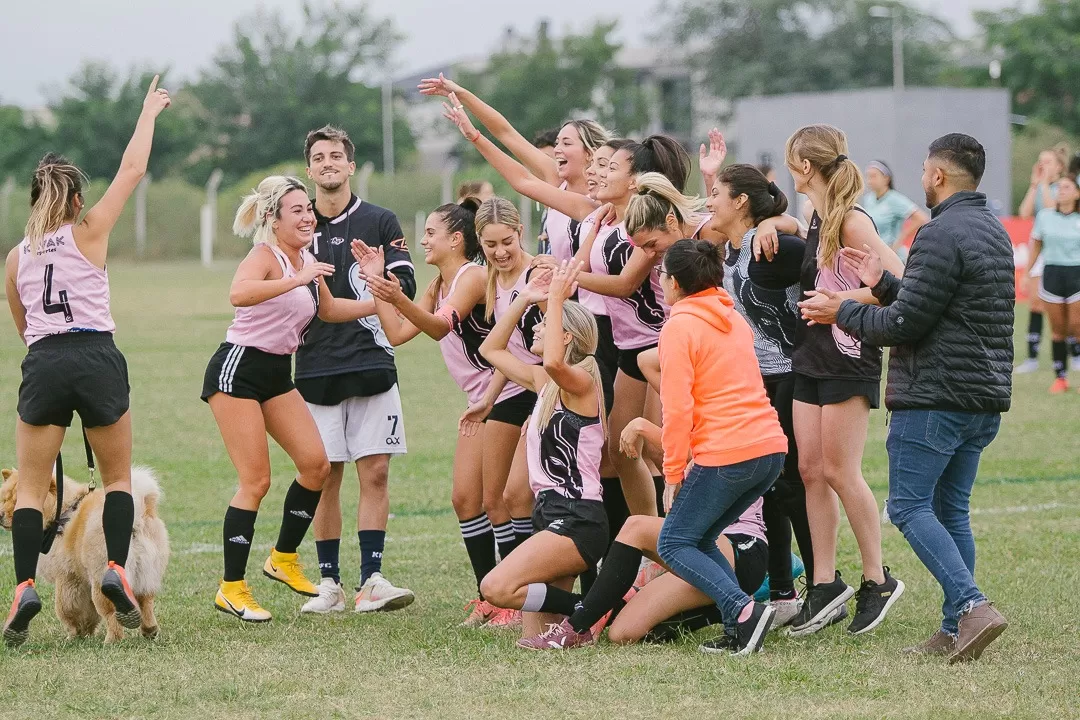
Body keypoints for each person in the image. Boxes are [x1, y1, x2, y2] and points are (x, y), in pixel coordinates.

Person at [799, 133, 1014, 663]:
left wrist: (840, 311)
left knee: (910, 506)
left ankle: (971, 605)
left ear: (936, 175)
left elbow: (902, 325)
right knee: (951, 510)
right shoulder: (993, 231)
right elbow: (935, 306)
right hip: (981, 398)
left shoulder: (939, 234)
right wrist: (885, 282)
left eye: (924, 168)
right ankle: (953, 625)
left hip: (936, 396)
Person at [2, 77, 171, 648]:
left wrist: (47, 359)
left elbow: (23, 321)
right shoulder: (90, 230)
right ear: (77, 201)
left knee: (30, 491)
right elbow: (132, 170)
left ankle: (24, 584)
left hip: (44, 359)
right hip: (96, 354)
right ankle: (117, 570)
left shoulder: (16, 254)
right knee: (118, 479)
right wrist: (147, 112)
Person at [203, 176, 383, 623]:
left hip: (276, 375)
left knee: (316, 466)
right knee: (256, 481)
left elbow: (330, 310)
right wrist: (296, 278)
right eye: (297, 210)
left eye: (309, 209)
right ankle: (231, 588)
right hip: (237, 371)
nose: (308, 216)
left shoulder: (306, 258)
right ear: (273, 219)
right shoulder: (265, 255)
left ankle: (282, 557)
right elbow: (238, 294)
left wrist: (384, 300)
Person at [759, 124, 907, 638]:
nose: (788, 172)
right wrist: (775, 222)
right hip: (810, 357)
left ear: (806, 167)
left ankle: (877, 578)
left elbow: (898, 288)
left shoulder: (853, 223)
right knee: (809, 470)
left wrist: (841, 304)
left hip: (848, 358)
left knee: (842, 471)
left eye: (791, 162)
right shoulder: (818, 216)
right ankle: (824, 584)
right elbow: (789, 222)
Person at [358, 199, 531, 627]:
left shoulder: (472, 277)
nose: (423, 240)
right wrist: (378, 284)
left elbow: (439, 327)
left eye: (431, 232)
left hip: (507, 391)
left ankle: (513, 598)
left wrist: (396, 293)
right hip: (480, 401)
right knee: (464, 499)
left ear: (456, 239)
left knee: (498, 502)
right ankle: (488, 596)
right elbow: (397, 333)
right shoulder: (438, 285)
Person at [294, 126, 416, 615]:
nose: (327, 163)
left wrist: (378, 276)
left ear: (350, 166)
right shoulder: (294, 225)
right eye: (318, 157)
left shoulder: (380, 220)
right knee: (324, 475)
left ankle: (372, 579)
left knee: (377, 470)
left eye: (336, 156)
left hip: (371, 361)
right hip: (315, 365)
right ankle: (329, 584)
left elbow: (405, 283)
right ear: (309, 170)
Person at [515, 419, 768, 650]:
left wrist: (640, 426)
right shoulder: (689, 423)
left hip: (740, 547)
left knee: (635, 527)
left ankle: (575, 629)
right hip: (702, 553)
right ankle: (737, 606)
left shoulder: (731, 419)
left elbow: (704, 456)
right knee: (623, 633)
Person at [653, 239, 789, 656]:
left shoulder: (679, 326)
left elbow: (677, 409)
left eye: (662, 275)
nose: (660, 282)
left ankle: (742, 609)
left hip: (730, 452)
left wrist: (672, 473)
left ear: (674, 284)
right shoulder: (731, 317)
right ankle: (741, 624)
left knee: (673, 543)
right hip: (769, 449)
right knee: (704, 537)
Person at [704, 164, 813, 629]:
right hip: (755, 382)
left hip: (790, 375)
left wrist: (783, 222)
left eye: (715, 193)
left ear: (741, 202)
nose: (709, 201)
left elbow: (821, 259)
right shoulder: (728, 249)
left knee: (791, 486)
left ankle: (827, 585)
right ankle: (784, 592)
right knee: (766, 486)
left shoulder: (773, 246)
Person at [476, 262, 610, 639]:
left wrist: (554, 299)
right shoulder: (543, 382)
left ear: (565, 337)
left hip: (577, 518)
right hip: (547, 512)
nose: (535, 326)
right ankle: (583, 617)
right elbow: (491, 348)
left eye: (545, 323)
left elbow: (552, 361)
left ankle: (593, 607)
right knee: (535, 641)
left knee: (497, 588)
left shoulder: (580, 380)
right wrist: (525, 300)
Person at [1016, 144, 1069, 374]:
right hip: (1041, 251)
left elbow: (1051, 209)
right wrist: (1034, 184)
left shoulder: (1065, 188)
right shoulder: (1041, 187)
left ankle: (1073, 354)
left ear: (1059, 166)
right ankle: (1032, 357)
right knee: (1035, 304)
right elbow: (1025, 213)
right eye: (1040, 161)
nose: (1042, 165)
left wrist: (1046, 184)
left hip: (1062, 252)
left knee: (1065, 308)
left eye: (1047, 161)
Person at [1026, 174, 1080, 392]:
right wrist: (1026, 273)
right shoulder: (1045, 216)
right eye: (1059, 187)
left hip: (1077, 274)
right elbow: (1036, 247)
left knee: (1076, 326)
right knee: (1057, 331)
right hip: (1052, 275)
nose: (1061, 190)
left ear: (1077, 193)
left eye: (1067, 187)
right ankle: (1061, 378)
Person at [861, 160, 929, 261]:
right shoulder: (868, 199)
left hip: (895, 259)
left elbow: (922, 218)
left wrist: (899, 240)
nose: (870, 181)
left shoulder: (895, 199)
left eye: (874, 176)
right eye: (868, 176)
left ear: (886, 178)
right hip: (877, 258)